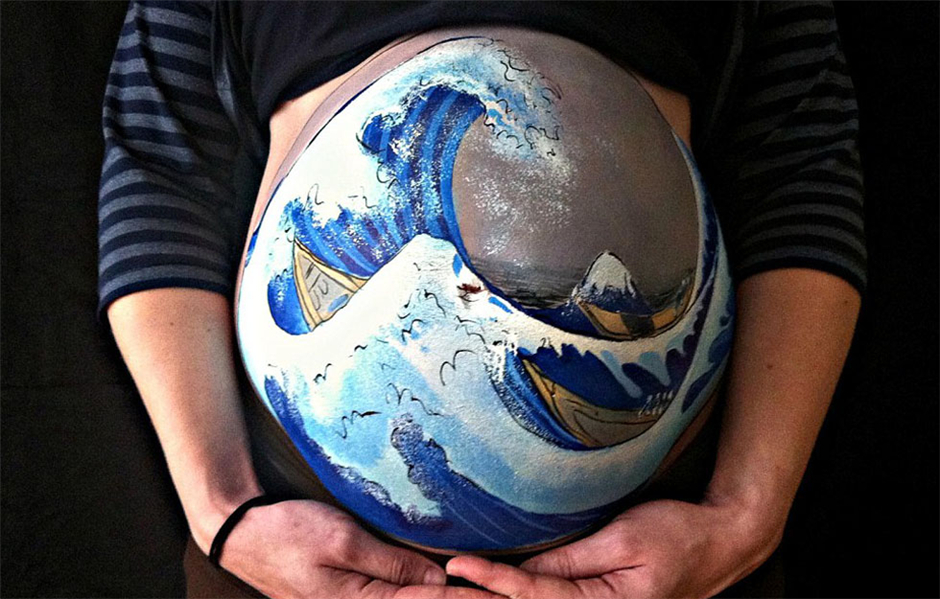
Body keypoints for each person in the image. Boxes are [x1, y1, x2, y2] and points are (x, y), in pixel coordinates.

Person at [99, 2, 864, 597]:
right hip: (296, 535)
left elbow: (799, 169)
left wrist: (745, 515)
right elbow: (161, 164)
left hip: (660, 546)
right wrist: (224, 508)